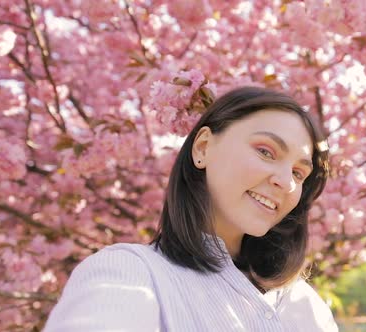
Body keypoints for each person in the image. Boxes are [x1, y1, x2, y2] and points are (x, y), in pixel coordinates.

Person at [44, 87, 337, 331]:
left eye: (299, 173)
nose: (286, 183)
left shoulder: (304, 304)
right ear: (203, 148)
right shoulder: (131, 274)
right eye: (265, 152)